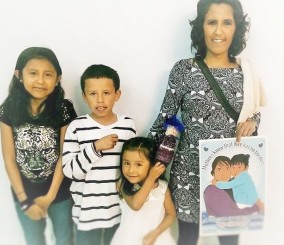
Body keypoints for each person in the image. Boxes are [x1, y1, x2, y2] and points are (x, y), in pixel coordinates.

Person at [148, 0, 266, 244]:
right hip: (188, 176)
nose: (219, 31)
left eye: (227, 22)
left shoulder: (246, 72)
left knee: (229, 239)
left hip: (229, 177)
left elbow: (254, 112)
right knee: (188, 240)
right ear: (201, 27)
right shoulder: (183, 70)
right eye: (212, 22)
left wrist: (253, 122)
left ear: (236, 28)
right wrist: (143, 167)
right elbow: (164, 121)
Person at [0, 47, 77, 245]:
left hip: (59, 192)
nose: (40, 81)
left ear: (58, 78)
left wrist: (50, 196)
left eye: (48, 74)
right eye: (33, 73)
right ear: (19, 75)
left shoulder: (63, 109)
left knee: (65, 239)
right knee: (33, 240)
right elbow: (9, 159)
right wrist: (24, 201)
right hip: (24, 192)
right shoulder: (8, 109)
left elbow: (64, 155)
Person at [62, 64, 136, 245]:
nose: (100, 100)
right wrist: (95, 148)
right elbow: (69, 171)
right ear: (84, 97)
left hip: (118, 209)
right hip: (86, 210)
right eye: (93, 94)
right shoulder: (77, 127)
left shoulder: (127, 126)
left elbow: (131, 166)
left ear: (117, 95)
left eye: (106, 93)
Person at [111, 137, 176, 245]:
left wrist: (156, 233)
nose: (131, 170)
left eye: (138, 164)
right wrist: (151, 177)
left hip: (157, 239)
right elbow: (136, 205)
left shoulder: (162, 187)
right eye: (127, 163)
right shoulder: (122, 184)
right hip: (128, 240)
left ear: (152, 165)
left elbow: (171, 214)